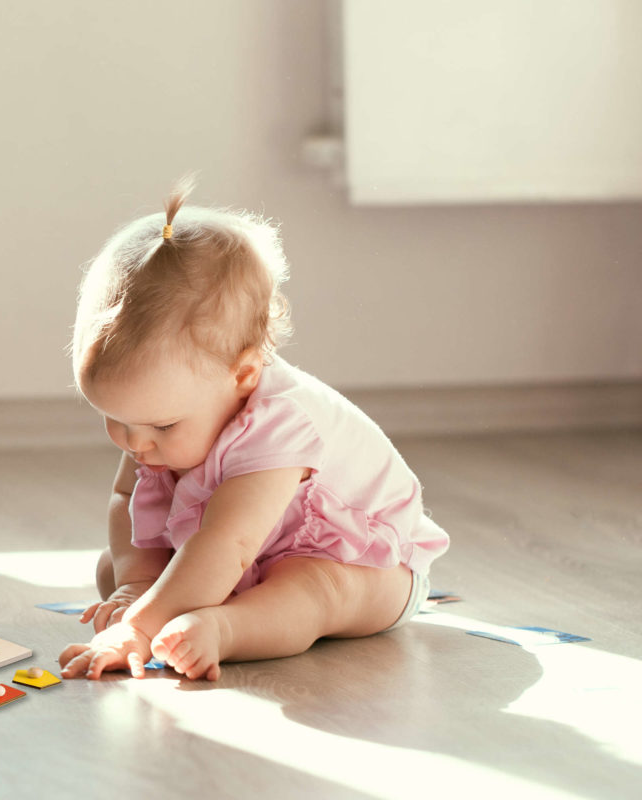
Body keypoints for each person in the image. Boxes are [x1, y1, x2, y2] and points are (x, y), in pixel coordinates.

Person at [59, 177, 449, 681]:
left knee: (311, 588)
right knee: (112, 568)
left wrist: (138, 627)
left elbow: (229, 544)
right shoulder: (160, 422)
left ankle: (227, 629)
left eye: (158, 425)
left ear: (242, 375)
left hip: (360, 566)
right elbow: (126, 500)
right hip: (236, 555)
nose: (135, 443)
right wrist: (136, 585)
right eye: (115, 419)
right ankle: (197, 606)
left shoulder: (281, 425)